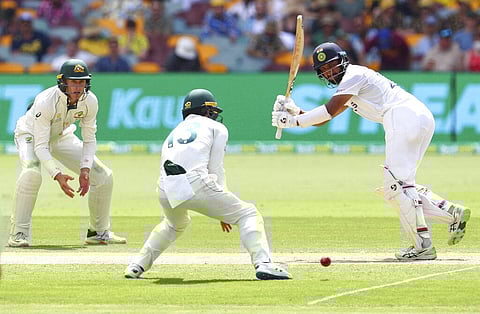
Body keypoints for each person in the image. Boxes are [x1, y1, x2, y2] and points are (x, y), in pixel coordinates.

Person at [271, 42, 471, 260]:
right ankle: (451, 213)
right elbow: (322, 120)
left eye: (332, 66)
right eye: (324, 71)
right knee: (402, 186)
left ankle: (422, 247)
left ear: (343, 60)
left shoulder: (354, 75)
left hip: (402, 117)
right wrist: (294, 111)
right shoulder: (349, 86)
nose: (330, 73)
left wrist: (292, 122)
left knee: (396, 187)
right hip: (417, 117)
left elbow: (328, 111)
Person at [125, 88, 291, 280]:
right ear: (206, 111)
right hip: (195, 183)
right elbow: (216, 169)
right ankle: (264, 263)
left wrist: (222, 206)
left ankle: (136, 265)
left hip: (164, 187)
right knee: (248, 213)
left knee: (173, 224)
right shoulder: (217, 128)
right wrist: (224, 208)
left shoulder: (175, 130)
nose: (213, 116)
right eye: (212, 112)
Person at [9, 59, 127, 247]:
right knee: (31, 173)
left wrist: (85, 169)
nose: (78, 87)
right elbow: (41, 146)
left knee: (104, 176)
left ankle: (98, 232)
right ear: (62, 82)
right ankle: (19, 233)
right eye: (73, 81)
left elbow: (89, 139)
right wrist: (57, 174)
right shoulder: (45, 101)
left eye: (81, 82)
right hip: (30, 135)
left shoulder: (90, 101)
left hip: (61, 136)